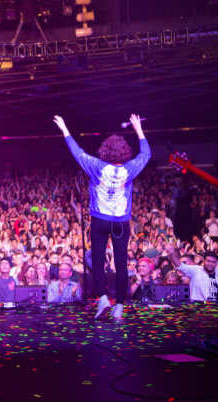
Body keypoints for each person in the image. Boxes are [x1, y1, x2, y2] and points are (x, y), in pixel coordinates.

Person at [54, 114, 150, 321]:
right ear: (124, 152)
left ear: (105, 150)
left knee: (97, 263)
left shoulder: (96, 167)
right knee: (121, 263)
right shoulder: (129, 169)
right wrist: (139, 130)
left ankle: (104, 300)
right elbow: (146, 154)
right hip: (121, 223)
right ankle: (120, 308)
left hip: (100, 221)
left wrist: (65, 129)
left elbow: (77, 152)